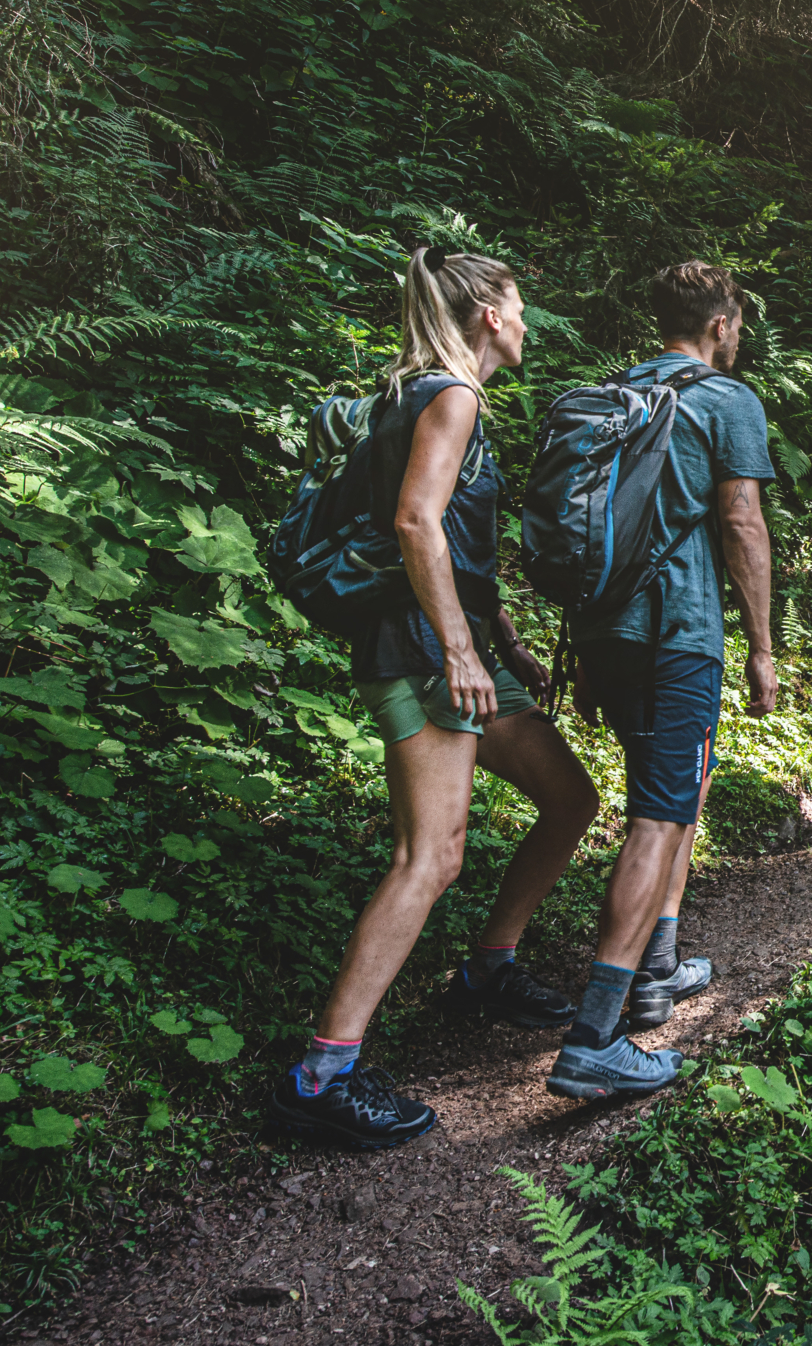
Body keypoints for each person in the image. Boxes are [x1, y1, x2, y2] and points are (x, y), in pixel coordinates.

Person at [267, 248, 602, 1151]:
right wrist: (460, 649)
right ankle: (320, 1074)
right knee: (432, 855)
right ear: (490, 313)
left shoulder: (424, 392)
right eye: (523, 304)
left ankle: (490, 967)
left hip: (448, 649)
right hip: (422, 651)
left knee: (572, 796)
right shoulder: (449, 396)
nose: (530, 322)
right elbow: (416, 520)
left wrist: (506, 645)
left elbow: (454, 538)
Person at [552, 261, 778, 1099]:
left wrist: (579, 649)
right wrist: (761, 644)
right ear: (721, 323)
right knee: (658, 814)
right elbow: (741, 522)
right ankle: (594, 1036)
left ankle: (654, 970)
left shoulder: (615, 395)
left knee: (673, 786)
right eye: (739, 323)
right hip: (673, 634)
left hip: (606, 633)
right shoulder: (726, 400)